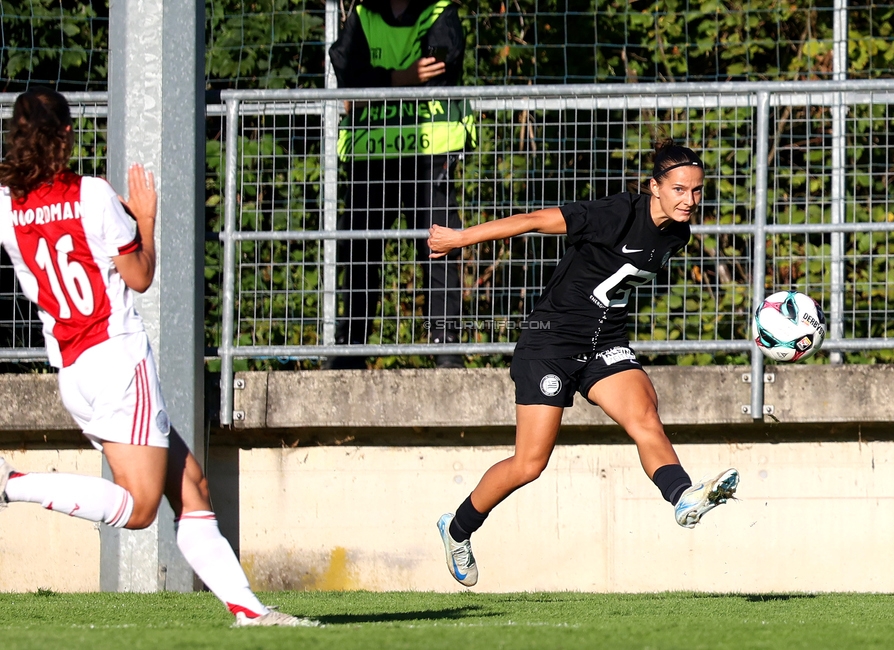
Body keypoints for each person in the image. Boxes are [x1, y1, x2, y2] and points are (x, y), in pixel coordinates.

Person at [0, 87, 313, 627]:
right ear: (68, 135)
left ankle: (249, 611)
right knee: (141, 507)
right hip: (118, 363)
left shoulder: (6, 207)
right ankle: (10, 483)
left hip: (73, 371)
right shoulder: (93, 195)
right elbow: (140, 276)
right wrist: (146, 218)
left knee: (190, 483)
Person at [428, 139, 739, 587]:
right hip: (550, 343)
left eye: (696, 191)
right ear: (654, 187)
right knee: (529, 463)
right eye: (678, 190)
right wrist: (461, 237)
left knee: (645, 415)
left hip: (605, 342)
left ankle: (683, 498)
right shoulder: (616, 214)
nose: (689, 200)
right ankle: (457, 530)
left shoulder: (677, 234)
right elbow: (535, 221)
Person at [328, 0, 475, 369]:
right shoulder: (363, 15)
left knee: (439, 248)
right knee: (360, 251)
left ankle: (445, 346)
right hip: (372, 157)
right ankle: (351, 348)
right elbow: (347, 72)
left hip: (428, 156)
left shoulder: (438, 11)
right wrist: (401, 78)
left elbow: (438, 70)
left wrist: (378, 79)